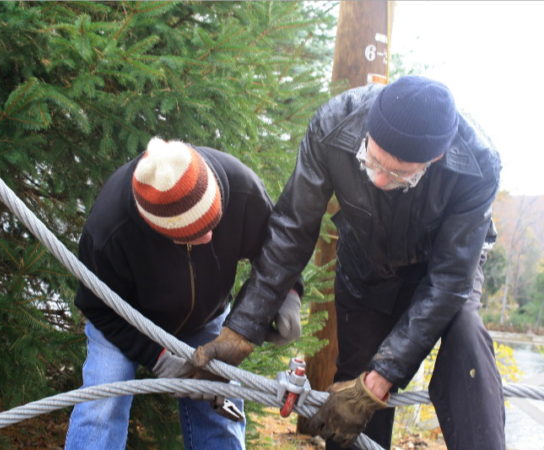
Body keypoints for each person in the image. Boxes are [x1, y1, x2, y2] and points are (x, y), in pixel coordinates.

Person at [192, 76, 505, 449]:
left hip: (446, 271)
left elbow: (450, 280)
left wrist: (380, 380)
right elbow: (293, 227)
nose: (378, 179)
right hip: (366, 267)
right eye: (372, 161)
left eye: (398, 174)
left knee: (466, 339)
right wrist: (243, 328)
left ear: (434, 159)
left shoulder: (478, 163)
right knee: (349, 400)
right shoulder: (333, 124)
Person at [65, 137, 302, 450]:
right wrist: (157, 356)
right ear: (154, 225)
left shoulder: (240, 186)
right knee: (102, 405)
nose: (207, 238)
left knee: (220, 412)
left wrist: (287, 294)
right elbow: (97, 307)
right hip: (126, 323)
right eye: (190, 236)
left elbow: (275, 250)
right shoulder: (110, 228)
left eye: (211, 224)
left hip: (206, 319)